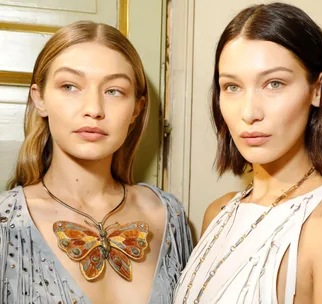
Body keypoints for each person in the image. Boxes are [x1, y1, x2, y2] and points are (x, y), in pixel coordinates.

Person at [174, 3, 322, 304]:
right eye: (232, 87)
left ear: (317, 89)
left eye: (274, 84)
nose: (249, 112)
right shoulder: (218, 213)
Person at [0, 21, 192, 304]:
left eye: (114, 91)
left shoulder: (168, 215)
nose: (93, 109)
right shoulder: (6, 223)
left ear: (136, 111)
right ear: (40, 99)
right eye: (70, 86)